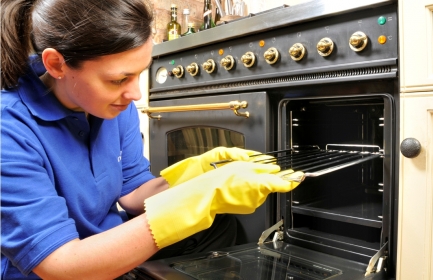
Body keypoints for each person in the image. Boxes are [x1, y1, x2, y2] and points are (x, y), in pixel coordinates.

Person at [0, 0, 302, 279]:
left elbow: (132, 192)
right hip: (62, 269)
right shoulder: (9, 128)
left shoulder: (113, 107)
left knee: (219, 225)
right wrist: (190, 204)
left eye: (139, 74)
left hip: (106, 242)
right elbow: (59, 265)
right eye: (119, 79)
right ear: (56, 65)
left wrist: (200, 173)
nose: (135, 95)